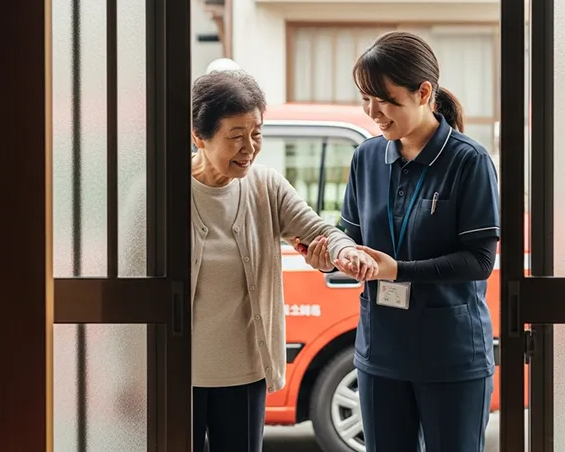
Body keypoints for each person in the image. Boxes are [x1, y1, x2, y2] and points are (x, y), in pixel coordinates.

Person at [187, 69, 376, 452]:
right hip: (174, 374)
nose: (249, 148)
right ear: (199, 137)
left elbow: (321, 231)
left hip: (243, 374)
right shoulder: (158, 191)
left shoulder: (266, 187)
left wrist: (343, 253)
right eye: (235, 136)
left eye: (256, 133)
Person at [330, 31, 500, 451]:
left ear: (423, 93)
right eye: (365, 99)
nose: (373, 112)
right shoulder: (367, 157)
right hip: (380, 353)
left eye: (384, 100)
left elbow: (479, 261)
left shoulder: (469, 161)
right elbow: (350, 237)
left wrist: (398, 270)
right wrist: (334, 254)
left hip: (450, 355)